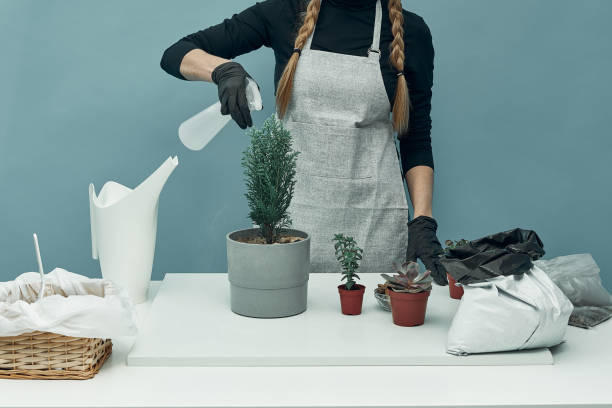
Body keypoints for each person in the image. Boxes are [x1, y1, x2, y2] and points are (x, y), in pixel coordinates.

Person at [161, 0, 448, 285]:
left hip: (373, 222)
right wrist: (223, 69)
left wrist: (423, 218)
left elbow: (416, 136)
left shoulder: (410, 32)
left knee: (368, 323)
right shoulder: (285, 12)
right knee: (284, 317)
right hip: (289, 219)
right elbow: (176, 54)